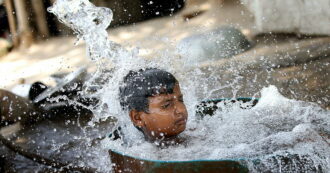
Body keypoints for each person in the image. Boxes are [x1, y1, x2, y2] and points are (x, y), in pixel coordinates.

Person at [118, 68, 188, 144]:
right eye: (167, 105)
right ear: (137, 118)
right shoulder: (138, 154)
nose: (181, 110)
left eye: (181, 100)